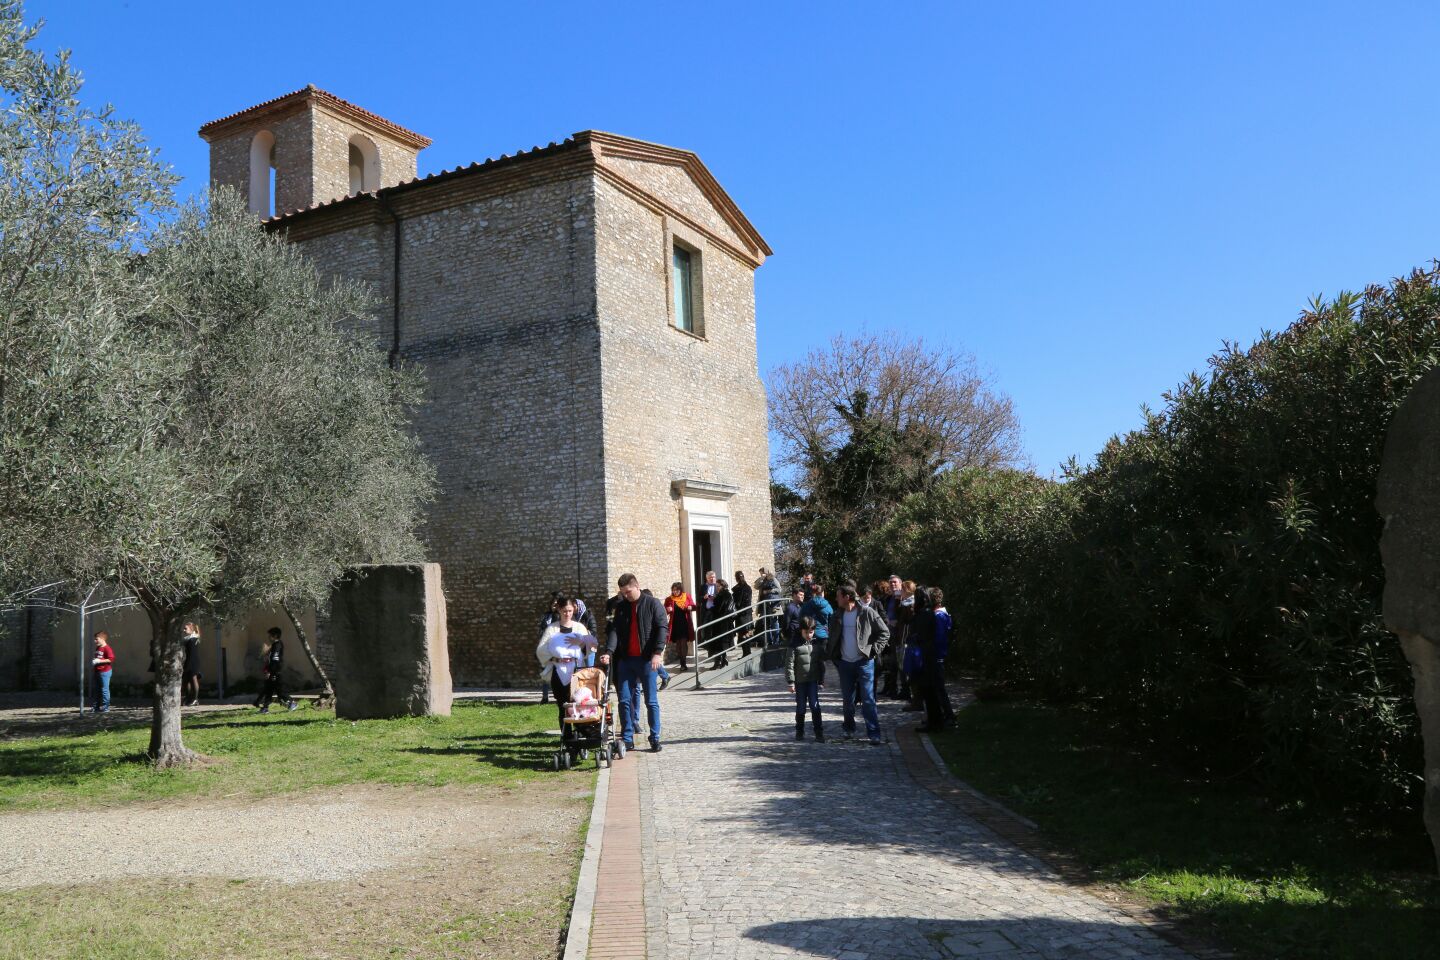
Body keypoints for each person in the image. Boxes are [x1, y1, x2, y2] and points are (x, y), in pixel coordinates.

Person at [601, 573, 668, 752]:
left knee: (651, 701)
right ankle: (628, 737)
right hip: (625, 660)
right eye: (623, 593)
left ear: (637, 586)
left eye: (628, 592)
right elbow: (614, 631)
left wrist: (657, 652)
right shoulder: (621, 607)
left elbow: (663, 628)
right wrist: (609, 652)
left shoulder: (653, 604)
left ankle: (654, 737)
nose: (626, 596)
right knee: (624, 700)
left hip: (647, 660)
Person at [827, 581, 890, 744]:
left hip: (864, 662)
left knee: (868, 699)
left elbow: (884, 632)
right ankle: (849, 728)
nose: (836, 599)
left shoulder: (866, 612)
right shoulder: (837, 615)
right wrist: (834, 657)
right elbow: (833, 638)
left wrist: (873, 650)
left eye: (838, 596)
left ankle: (874, 733)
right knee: (848, 700)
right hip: (845, 663)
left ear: (847, 597)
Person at [535, 596, 598, 726]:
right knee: (562, 705)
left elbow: (593, 646)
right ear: (559, 610)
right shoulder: (552, 629)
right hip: (558, 670)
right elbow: (541, 650)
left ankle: (579, 733)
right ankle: (566, 736)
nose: (567, 614)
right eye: (564, 611)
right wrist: (553, 657)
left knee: (577, 702)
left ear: (573, 610)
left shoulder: (579, 627)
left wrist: (582, 643)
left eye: (569, 611)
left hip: (576, 670)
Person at [918, 587, 956, 731]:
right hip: (936, 655)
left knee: (938, 688)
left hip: (936, 656)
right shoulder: (938, 615)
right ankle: (939, 716)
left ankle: (949, 716)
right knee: (936, 687)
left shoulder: (939, 616)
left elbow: (938, 638)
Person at [786, 616, 825, 741]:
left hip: (813, 680)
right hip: (800, 682)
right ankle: (799, 731)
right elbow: (789, 664)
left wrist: (821, 680)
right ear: (801, 630)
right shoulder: (794, 644)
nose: (809, 635)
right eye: (806, 632)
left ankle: (819, 732)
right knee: (801, 706)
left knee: (815, 705)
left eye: (811, 632)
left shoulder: (816, 644)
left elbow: (820, 663)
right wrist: (791, 682)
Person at [257, 627, 297, 713]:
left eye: (270, 636)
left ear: (275, 635)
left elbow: (275, 660)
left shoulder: (278, 645)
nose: (268, 638)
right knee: (269, 690)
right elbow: (271, 659)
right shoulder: (275, 645)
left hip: (276, 672)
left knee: (280, 691)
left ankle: (292, 703)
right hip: (273, 671)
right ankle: (265, 708)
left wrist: (272, 673)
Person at [799, 578, 833, 668]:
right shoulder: (828, 606)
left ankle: (811, 679)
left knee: (810, 660)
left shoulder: (806, 606)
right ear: (822, 593)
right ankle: (821, 681)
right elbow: (832, 621)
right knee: (821, 661)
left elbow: (800, 620)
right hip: (823, 635)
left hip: (809, 635)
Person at [664, 582, 697, 671]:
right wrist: (667, 609)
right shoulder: (669, 599)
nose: (675, 592)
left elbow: (694, 606)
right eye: (673, 590)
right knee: (678, 644)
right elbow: (663, 611)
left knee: (683, 643)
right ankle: (681, 661)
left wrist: (690, 607)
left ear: (680, 590)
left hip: (685, 623)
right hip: (674, 624)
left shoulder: (687, 596)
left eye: (677, 590)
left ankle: (683, 663)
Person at [755, 567, 781, 646]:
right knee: (766, 624)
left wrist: (770, 591)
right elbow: (756, 586)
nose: (762, 574)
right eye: (760, 573)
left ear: (766, 572)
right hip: (764, 604)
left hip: (773, 603)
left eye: (763, 573)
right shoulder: (762, 580)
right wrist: (761, 579)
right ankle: (769, 642)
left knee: (774, 623)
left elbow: (779, 589)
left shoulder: (773, 579)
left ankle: (776, 642)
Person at [91, 631, 114, 714]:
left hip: (105, 672)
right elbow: (98, 658)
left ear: (102, 639)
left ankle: (105, 708)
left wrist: (99, 661)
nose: (95, 641)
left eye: (96, 639)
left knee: (104, 690)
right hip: (97, 671)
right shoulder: (98, 648)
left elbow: (111, 659)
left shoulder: (107, 648)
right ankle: (95, 707)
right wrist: (95, 661)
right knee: (96, 690)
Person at [732, 571, 754, 655]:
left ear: (736, 578)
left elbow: (738, 602)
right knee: (746, 633)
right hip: (747, 612)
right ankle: (747, 653)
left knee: (743, 633)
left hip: (742, 613)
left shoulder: (740, 588)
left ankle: (746, 653)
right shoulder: (747, 587)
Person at [181, 621, 202, 707]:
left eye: (185, 628)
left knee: (193, 679)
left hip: (193, 662)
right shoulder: (188, 639)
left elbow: (193, 654)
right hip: (188, 661)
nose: (184, 630)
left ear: (191, 629)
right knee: (186, 680)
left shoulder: (193, 639)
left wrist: (189, 663)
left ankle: (195, 699)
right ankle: (188, 698)